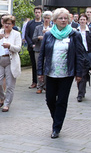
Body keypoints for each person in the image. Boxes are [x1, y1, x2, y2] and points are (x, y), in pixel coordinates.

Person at [37, 8, 86, 139]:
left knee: (62, 101)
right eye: (61, 18)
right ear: (55, 20)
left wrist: (79, 73)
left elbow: (80, 55)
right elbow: (42, 55)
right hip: (51, 73)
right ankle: (57, 118)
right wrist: (40, 72)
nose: (63, 20)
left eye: (65, 18)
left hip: (67, 74)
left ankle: (56, 127)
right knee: (50, 100)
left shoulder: (74, 35)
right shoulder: (48, 34)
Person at [0, 15, 22, 112]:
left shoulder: (16, 34)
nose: (7, 25)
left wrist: (10, 46)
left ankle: (6, 104)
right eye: (5, 23)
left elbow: (18, 48)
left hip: (11, 61)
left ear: (13, 25)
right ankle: (2, 98)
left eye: (9, 23)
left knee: (10, 85)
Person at [75, 13, 91, 102]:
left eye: (84, 20)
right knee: (78, 74)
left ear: (86, 21)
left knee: (83, 73)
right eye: (81, 19)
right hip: (77, 54)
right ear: (79, 21)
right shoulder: (75, 31)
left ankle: (80, 94)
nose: (82, 21)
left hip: (87, 54)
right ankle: (81, 90)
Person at [33, 10, 53, 94]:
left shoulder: (53, 28)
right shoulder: (38, 28)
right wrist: (39, 37)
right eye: (45, 18)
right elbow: (33, 38)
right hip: (38, 50)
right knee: (39, 67)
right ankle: (39, 86)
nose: (46, 19)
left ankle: (46, 86)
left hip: (49, 51)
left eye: (48, 18)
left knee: (47, 68)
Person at [24, 6, 43, 89]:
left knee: (41, 65)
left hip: (41, 47)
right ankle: (34, 81)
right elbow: (26, 35)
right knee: (34, 65)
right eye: (36, 12)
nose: (37, 14)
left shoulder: (43, 23)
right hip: (32, 47)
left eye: (39, 12)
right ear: (34, 13)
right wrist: (31, 44)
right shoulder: (30, 23)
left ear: (41, 13)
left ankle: (42, 83)